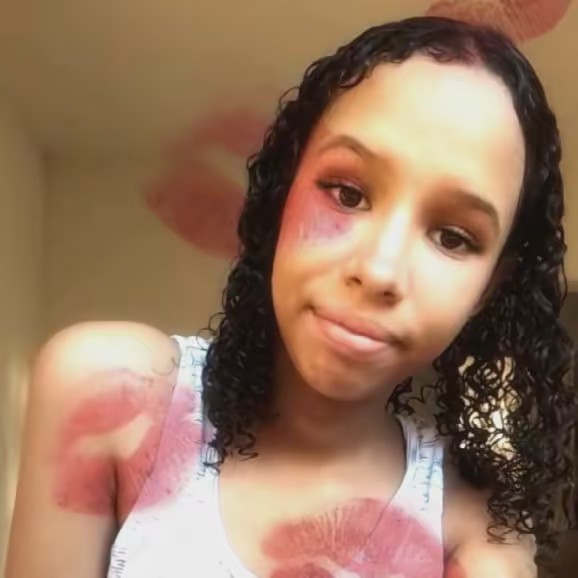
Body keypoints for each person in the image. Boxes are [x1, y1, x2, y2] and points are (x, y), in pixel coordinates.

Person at [6, 15, 575, 578]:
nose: (379, 270)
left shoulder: (475, 528)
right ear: (284, 189)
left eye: (453, 237)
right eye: (346, 193)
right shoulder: (112, 397)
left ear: (487, 289)